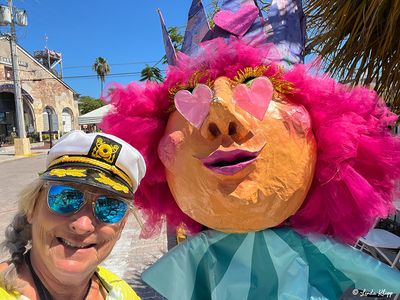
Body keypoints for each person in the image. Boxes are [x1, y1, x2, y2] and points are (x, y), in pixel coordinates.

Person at [100, 0, 400, 298]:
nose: (221, 115)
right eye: (192, 94)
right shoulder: (191, 261)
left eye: (254, 83)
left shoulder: (321, 258)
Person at [0, 130, 146, 299]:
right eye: (66, 198)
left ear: (122, 225)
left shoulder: (123, 294)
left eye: (108, 207)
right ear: (32, 208)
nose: (82, 226)